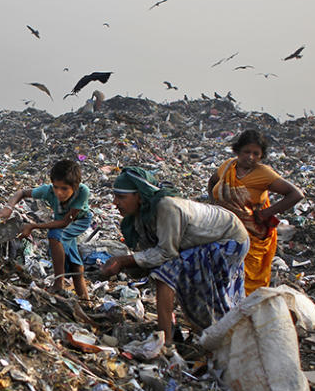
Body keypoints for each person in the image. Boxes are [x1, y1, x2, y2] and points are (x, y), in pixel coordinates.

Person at [100, 167, 249, 343]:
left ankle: (166, 343)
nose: (115, 202)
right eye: (115, 196)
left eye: (122, 197)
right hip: (205, 242)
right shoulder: (142, 216)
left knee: (165, 276)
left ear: (139, 196)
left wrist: (123, 261)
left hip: (229, 239)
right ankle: (198, 333)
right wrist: (126, 265)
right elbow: (150, 255)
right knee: (174, 277)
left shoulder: (166, 206)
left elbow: (165, 252)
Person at [207, 129, 304, 295]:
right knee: (217, 276)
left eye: (256, 153)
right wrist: (213, 203)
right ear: (237, 151)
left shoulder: (264, 173)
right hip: (222, 231)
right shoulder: (228, 166)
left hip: (250, 236)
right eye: (246, 152)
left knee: (246, 282)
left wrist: (266, 213)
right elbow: (213, 181)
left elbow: (296, 194)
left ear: (261, 156)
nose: (250, 157)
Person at [0, 159, 93, 299]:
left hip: (79, 221)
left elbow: (64, 222)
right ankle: (85, 299)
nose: (59, 192)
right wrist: (8, 209)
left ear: (74, 187)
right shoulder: (48, 191)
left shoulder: (82, 192)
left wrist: (33, 226)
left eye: (64, 189)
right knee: (75, 264)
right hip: (62, 222)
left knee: (55, 235)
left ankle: (59, 283)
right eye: (56, 187)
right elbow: (21, 193)